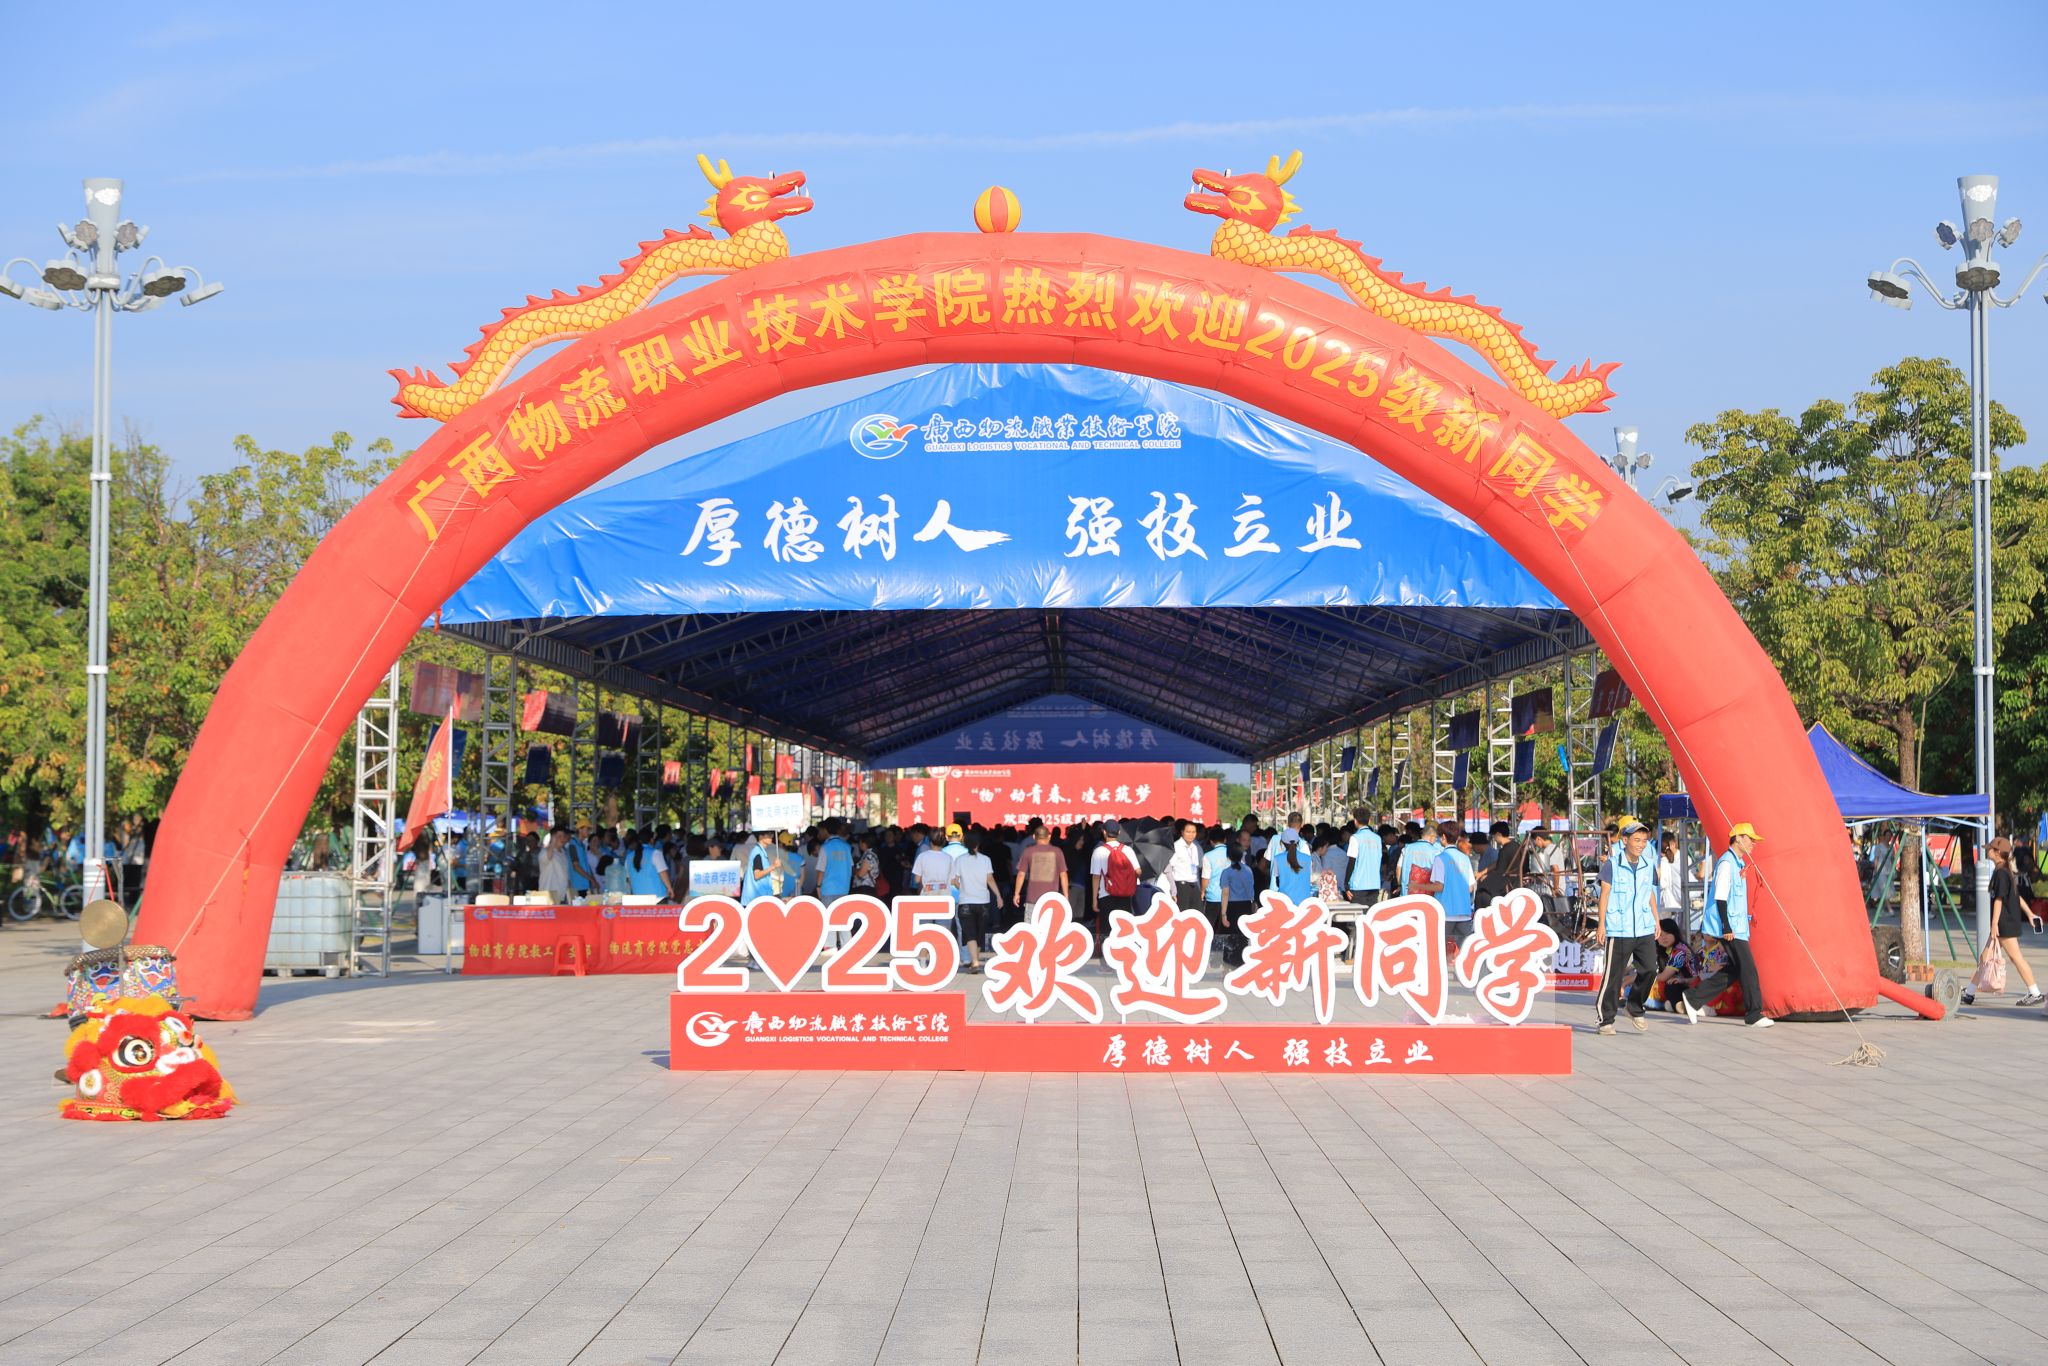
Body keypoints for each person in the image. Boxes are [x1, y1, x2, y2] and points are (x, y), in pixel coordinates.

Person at [1681, 823, 1771, 1027]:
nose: (1753, 843)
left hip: (1737, 926)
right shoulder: (1726, 864)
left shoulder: (1738, 863)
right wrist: (1726, 927)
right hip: (1730, 927)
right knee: (1749, 969)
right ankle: (1754, 1014)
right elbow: (1720, 897)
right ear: (1738, 838)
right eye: (1750, 839)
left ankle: (1693, 998)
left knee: (1735, 970)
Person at [1595, 817, 1662, 1035]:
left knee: (1650, 969)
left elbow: (1649, 893)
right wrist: (1601, 925)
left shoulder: (1648, 865)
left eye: (1644, 840)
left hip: (1643, 926)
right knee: (1613, 976)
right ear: (1625, 841)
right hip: (1619, 927)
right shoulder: (1612, 864)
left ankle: (1634, 1007)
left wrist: (1656, 919)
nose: (1641, 844)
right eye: (1636, 840)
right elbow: (1605, 894)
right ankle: (1605, 1020)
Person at [1962, 836, 2046, 1008]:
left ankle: (2035, 993)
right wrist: (2030, 914)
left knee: (2016, 958)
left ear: (1998, 852)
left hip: (2004, 923)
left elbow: (1999, 900)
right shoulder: (2005, 871)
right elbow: (2017, 896)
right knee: (1985, 957)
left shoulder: (2001, 873)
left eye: (1990, 848)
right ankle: (1969, 993)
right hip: (2004, 922)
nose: (1987, 850)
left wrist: (1994, 925)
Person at [1419, 824, 1477, 946]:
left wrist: (1417, 886)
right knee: (1465, 948)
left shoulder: (1440, 858)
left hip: (1445, 913)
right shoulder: (1465, 858)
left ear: (1444, 837)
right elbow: (1470, 888)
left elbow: (1439, 886)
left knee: (1439, 948)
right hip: (1464, 912)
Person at [950, 831, 998, 972]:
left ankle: (975, 961)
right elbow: (990, 879)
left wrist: (963, 888)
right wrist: (999, 896)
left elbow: (954, 880)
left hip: (965, 901)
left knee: (969, 933)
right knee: (979, 933)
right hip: (983, 901)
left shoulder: (960, 860)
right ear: (978, 844)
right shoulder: (986, 859)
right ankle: (975, 959)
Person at [1093, 822, 1142, 932]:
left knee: (1107, 930)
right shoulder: (1128, 850)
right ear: (1119, 832)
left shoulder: (1098, 851)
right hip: (1126, 895)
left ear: (1104, 832)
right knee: (1124, 929)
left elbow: (1096, 877)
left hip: (1106, 895)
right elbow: (1138, 871)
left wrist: (1094, 900)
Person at [1014, 824, 1068, 914]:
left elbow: (1021, 874)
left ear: (1034, 837)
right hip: (1051, 899)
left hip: (1032, 898)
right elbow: (1063, 875)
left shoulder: (1028, 851)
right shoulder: (1057, 852)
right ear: (1049, 836)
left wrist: (1016, 893)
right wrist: (1066, 895)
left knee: (1031, 922)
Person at [1218, 845, 1255, 968]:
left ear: (1228, 856)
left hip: (1232, 907)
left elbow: (1225, 893)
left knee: (1230, 937)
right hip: (1246, 905)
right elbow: (1251, 890)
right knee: (1243, 936)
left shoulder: (1227, 872)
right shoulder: (1248, 870)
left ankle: (1228, 965)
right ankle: (1242, 963)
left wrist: (1223, 914)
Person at [1345, 809, 1383, 905]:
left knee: (1358, 913)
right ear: (1369, 820)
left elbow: (1351, 862)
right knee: (1371, 913)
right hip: (1374, 884)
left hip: (1358, 885)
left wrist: (1346, 884)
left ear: (1355, 821)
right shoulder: (1377, 838)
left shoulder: (1355, 838)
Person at [1269, 827, 1314, 904]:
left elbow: (1277, 882)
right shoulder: (1308, 858)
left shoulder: (1278, 859)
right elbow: (1308, 878)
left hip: (1285, 902)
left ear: (1282, 842)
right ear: (1298, 842)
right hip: (1304, 902)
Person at [1168, 821, 1205, 913]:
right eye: (1188, 832)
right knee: (1183, 913)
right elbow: (1169, 868)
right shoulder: (1176, 846)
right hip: (1181, 885)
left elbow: (1196, 868)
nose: (1191, 835)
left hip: (1194, 884)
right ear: (1182, 832)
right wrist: (1173, 890)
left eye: (1193, 832)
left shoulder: (1195, 847)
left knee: (1198, 913)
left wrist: (1199, 888)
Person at [536, 829, 571, 902]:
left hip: (561, 895)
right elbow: (548, 857)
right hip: (547, 896)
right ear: (553, 837)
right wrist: (552, 843)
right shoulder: (544, 851)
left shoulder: (564, 853)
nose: (562, 839)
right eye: (559, 836)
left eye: (564, 836)